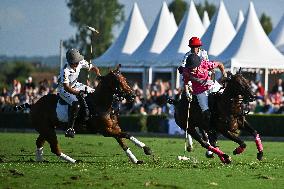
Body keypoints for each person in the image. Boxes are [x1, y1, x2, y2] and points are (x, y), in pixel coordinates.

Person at [179, 38, 227, 130]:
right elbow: (184, 69)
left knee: (224, 94)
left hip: (206, 76)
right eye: (192, 47)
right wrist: (188, 89)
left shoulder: (203, 53)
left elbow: (208, 65)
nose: (194, 49)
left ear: (199, 47)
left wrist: (221, 74)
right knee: (202, 106)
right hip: (193, 82)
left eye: (195, 47)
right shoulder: (187, 55)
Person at [58, 48, 101, 138]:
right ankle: (70, 128)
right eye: (75, 62)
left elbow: (92, 67)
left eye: (77, 61)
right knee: (76, 104)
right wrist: (78, 93)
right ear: (70, 62)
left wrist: (97, 73)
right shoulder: (65, 70)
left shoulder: (80, 62)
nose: (77, 64)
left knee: (94, 92)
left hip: (76, 85)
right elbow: (66, 87)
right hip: (64, 90)